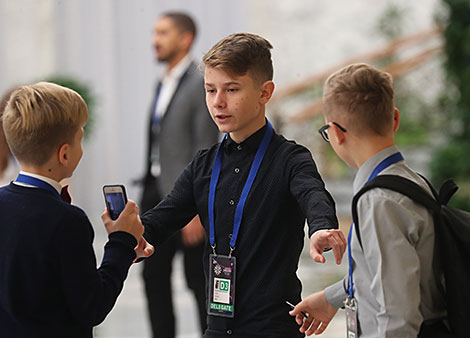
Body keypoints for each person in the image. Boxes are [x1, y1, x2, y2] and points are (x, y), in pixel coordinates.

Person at [140, 32, 346, 338]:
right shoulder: (204, 164)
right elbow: (161, 218)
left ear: (265, 92)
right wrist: (130, 229)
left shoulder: (290, 159)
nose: (218, 102)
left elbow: (313, 195)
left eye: (231, 89)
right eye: (210, 91)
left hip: (273, 327)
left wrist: (321, 226)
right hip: (217, 327)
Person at [290, 63, 447, 337]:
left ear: (336, 134)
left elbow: (398, 317)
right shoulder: (411, 182)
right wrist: (332, 298)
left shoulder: (379, 201)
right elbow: (383, 272)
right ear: (395, 119)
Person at [0, 82, 153, 337]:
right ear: (65, 154)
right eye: (80, 139)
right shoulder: (67, 220)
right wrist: (121, 241)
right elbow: (92, 306)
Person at [139, 11, 219, 338]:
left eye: (163, 33)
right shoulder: (163, 81)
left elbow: (204, 148)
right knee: (153, 277)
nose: (154, 40)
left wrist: (195, 209)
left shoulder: (201, 82)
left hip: (186, 199)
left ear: (185, 39)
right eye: (155, 32)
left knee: (197, 281)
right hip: (155, 192)